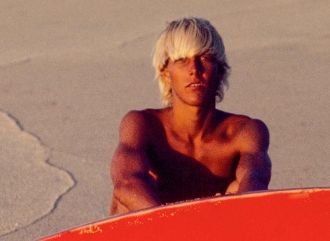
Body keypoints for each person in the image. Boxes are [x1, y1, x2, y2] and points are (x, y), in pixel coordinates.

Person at [110, 17, 271, 214]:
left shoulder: (244, 132)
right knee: (130, 195)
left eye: (204, 58)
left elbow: (255, 181)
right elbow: (126, 183)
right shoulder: (144, 125)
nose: (194, 70)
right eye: (181, 60)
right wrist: (175, 227)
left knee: (240, 190)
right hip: (155, 233)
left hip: (217, 231)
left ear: (220, 70)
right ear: (166, 73)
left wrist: (236, 205)